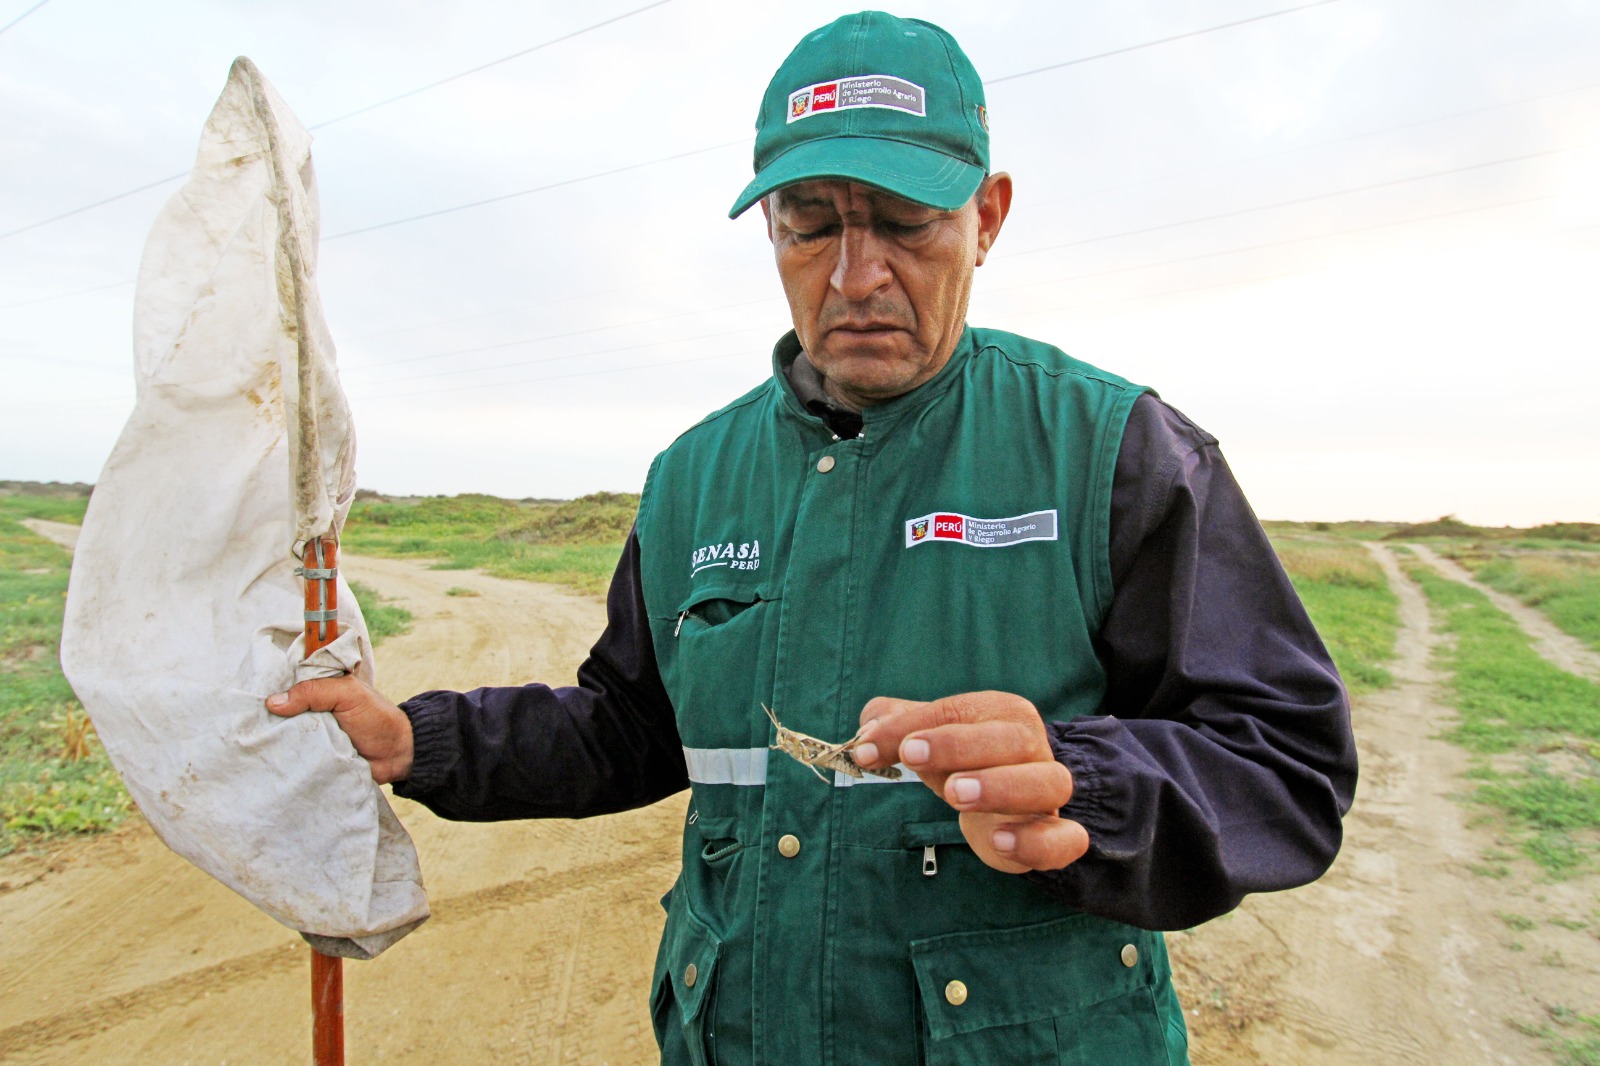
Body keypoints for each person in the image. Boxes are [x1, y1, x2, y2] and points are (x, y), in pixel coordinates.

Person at [269, 11, 1357, 1063]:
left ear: (987, 215)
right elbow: (632, 726)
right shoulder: (694, 476)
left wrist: (1082, 779)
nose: (854, 273)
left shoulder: (1115, 449)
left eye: (902, 220)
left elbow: (1286, 759)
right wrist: (419, 741)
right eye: (809, 223)